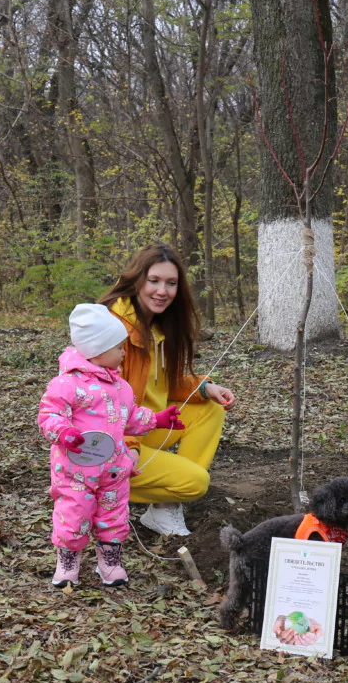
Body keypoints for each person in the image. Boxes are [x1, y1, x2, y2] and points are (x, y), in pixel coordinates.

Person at [38, 304, 184, 587]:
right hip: (76, 471)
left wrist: (158, 420)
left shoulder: (121, 387)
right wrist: (63, 431)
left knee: (114, 516)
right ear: (97, 349)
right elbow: (49, 414)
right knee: (73, 514)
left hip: (114, 469)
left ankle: (110, 561)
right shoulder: (66, 384)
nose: (123, 352)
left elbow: (130, 418)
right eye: (118, 347)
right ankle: (68, 562)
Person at [99, 244, 236, 536]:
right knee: (196, 483)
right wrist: (131, 448)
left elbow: (166, 383)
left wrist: (204, 387)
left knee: (209, 408)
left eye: (171, 283)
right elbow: (101, 406)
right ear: (137, 280)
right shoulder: (113, 328)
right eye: (154, 281)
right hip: (110, 444)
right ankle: (102, 494)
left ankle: (164, 509)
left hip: (145, 426)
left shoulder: (157, 326)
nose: (163, 291)